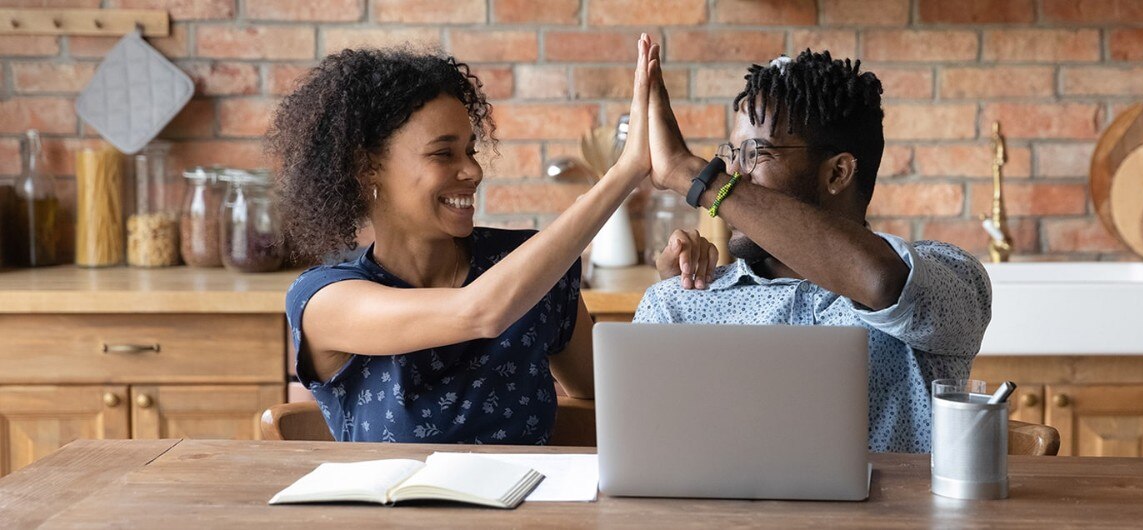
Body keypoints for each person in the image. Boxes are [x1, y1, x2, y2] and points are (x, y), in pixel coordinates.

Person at [268, 35, 659, 444]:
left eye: (471, 151)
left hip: (536, 507)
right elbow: (480, 312)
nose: (472, 171)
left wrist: (674, 287)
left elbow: (609, 399)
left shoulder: (531, 269)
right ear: (368, 168)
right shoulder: (323, 299)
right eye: (443, 153)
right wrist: (625, 172)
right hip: (394, 509)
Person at [636, 50, 993, 453]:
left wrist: (693, 176)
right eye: (732, 156)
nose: (734, 177)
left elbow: (881, 282)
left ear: (837, 173)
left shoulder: (951, 276)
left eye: (756, 154)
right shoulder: (679, 305)